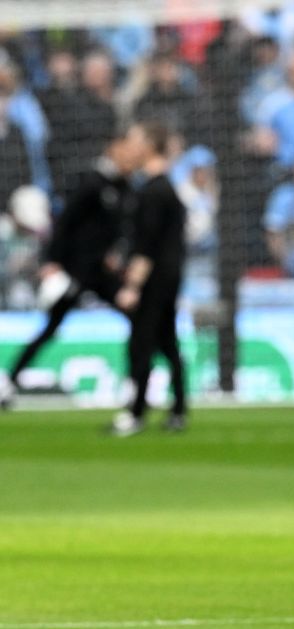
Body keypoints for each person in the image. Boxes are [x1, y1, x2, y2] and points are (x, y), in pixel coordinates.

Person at [1, 136, 136, 408]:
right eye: (126, 151)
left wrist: (118, 255)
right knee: (51, 327)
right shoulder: (91, 183)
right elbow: (66, 223)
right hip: (78, 272)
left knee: (137, 319)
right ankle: (9, 381)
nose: (131, 157)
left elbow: (122, 229)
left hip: (101, 272)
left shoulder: (124, 187)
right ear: (111, 150)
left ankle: (137, 383)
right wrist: (53, 261)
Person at [111, 121, 188, 437]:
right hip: (170, 275)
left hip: (155, 278)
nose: (130, 148)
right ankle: (179, 409)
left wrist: (132, 285)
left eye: (135, 141)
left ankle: (137, 411)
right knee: (168, 342)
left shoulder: (153, 191)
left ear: (149, 146)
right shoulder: (167, 187)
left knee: (142, 342)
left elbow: (147, 245)